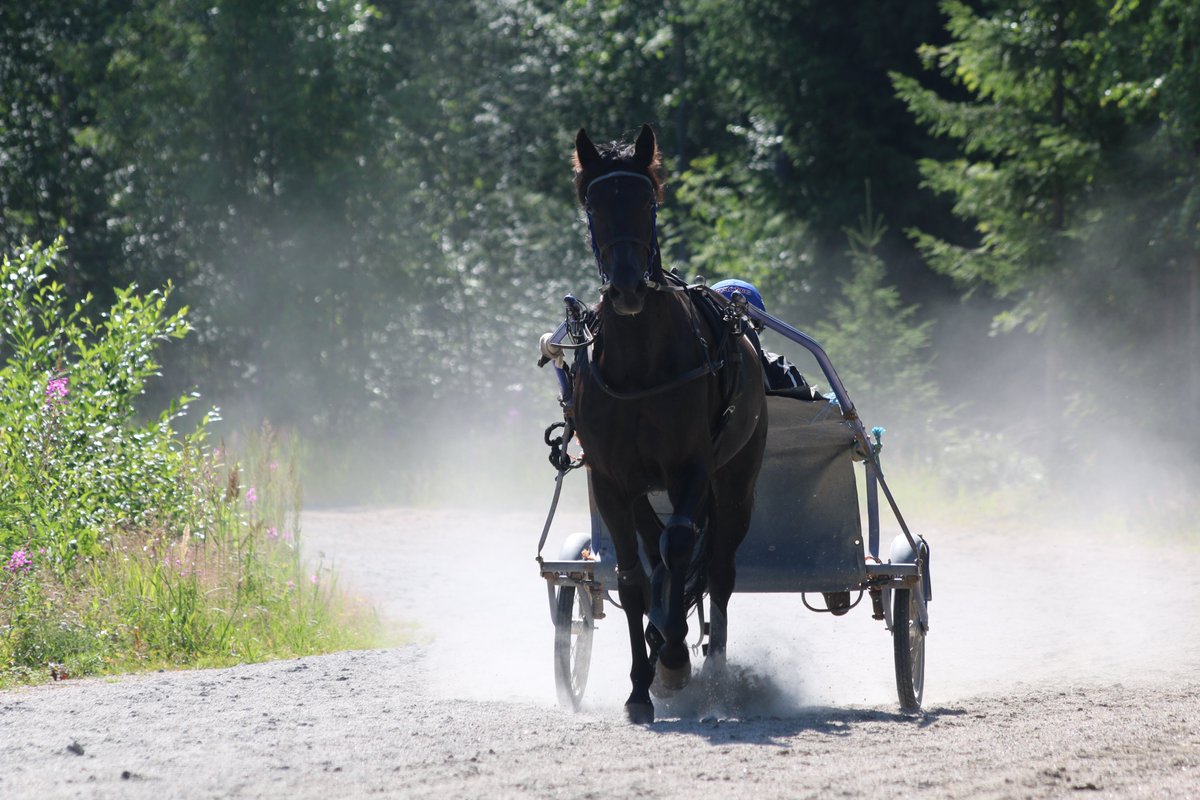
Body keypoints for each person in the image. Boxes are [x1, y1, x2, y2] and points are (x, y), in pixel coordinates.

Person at [710, 279, 822, 400]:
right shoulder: (692, 365)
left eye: (740, 324)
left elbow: (805, 414)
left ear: (757, 329)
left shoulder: (779, 369)